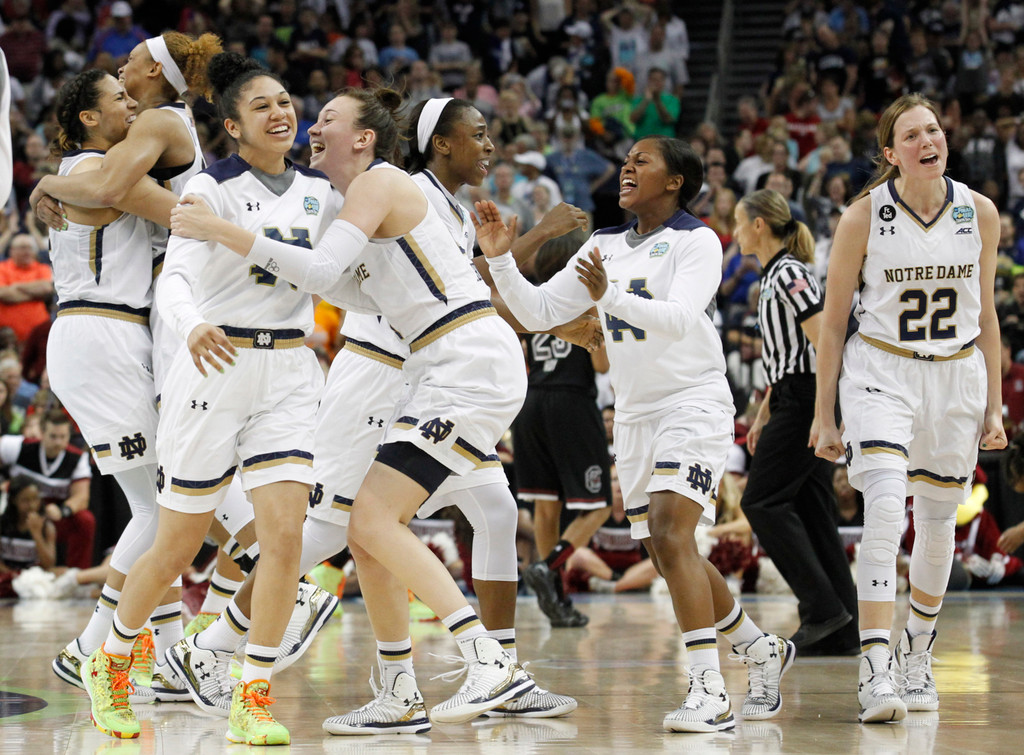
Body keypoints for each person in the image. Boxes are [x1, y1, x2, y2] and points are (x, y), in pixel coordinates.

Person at [167, 95, 586, 729]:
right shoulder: (360, 197)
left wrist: (221, 230)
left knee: (359, 521)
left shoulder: (383, 182)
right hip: (425, 367)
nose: (312, 126)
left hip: (450, 365)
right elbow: (333, 282)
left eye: (326, 119)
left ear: (365, 138)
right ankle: (398, 687)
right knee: (358, 524)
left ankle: (488, 661)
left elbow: (322, 268)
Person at [475, 135, 794, 733]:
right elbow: (537, 311)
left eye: (641, 161)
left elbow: (679, 317)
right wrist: (498, 259)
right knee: (667, 552)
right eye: (625, 161)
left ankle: (709, 689)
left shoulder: (697, 239)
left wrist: (608, 296)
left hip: (693, 403)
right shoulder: (602, 245)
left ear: (674, 181)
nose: (626, 167)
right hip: (636, 415)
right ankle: (759, 648)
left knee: (674, 533)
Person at [80, 52, 337, 745]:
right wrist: (192, 325)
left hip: (289, 370)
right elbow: (175, 282)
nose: (281, 112)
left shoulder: (320, 195)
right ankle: (109, 661)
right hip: (214, 365)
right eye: (262, 106)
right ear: (230, 124)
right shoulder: (209, 193)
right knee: (177, 543)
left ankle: (251, 692)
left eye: (286, 101)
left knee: (284, 540)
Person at [33, 35, 224, 708]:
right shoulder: (95, 169)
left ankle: (169, 657)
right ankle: (90, 647)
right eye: (114, 97)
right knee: (158, 506)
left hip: (113, 335)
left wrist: (43, 181)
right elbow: (165, 209)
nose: (124, 100)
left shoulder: (94, 164)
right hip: (101, 333)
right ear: (88, 117)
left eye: (127, 88)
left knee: (166, 502)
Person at [813, 93, 1005, 723]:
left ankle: (917, 653)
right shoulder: (863, 217)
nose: (928, 140)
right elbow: (834, 322)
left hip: (956, 376)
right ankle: (875, 669)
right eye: (912, 135)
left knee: (939, 522)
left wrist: (996, 407)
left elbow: (989, 317)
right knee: (887, 510)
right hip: (881, 371)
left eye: (935, 129)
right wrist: (823, 414)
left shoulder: (980, 213)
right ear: (890, 154)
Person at [733, 189, 858, 656]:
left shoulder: (787, 273)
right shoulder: (774, 276)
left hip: (809, 397)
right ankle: (842, 630)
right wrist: (765, 412)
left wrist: (823, 412)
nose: (737, 230)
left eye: (741, 222)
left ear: (760, 224)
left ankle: (822, 609)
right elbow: (790, 358)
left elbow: (825, 339)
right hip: (793, 394)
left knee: (761, 502)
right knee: (813, 512)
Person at [517, 230, 612, 628]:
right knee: (600, 505)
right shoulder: (585, 298)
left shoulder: (532, 298)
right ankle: (547, 566)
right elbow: (602, 364)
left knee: (546, 504)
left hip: (532, 401)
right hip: (571, 401)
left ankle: (557, 600)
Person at [1, 410, 94, 571]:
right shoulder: (16, 446)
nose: (58, 442)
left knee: (85, 520)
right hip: (13, 514)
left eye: (63, 437)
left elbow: (82, 497)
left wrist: (63, 510)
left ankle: (76, 576)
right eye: (53, 436)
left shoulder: (78, 459)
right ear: (42, 433)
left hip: (48, 515)